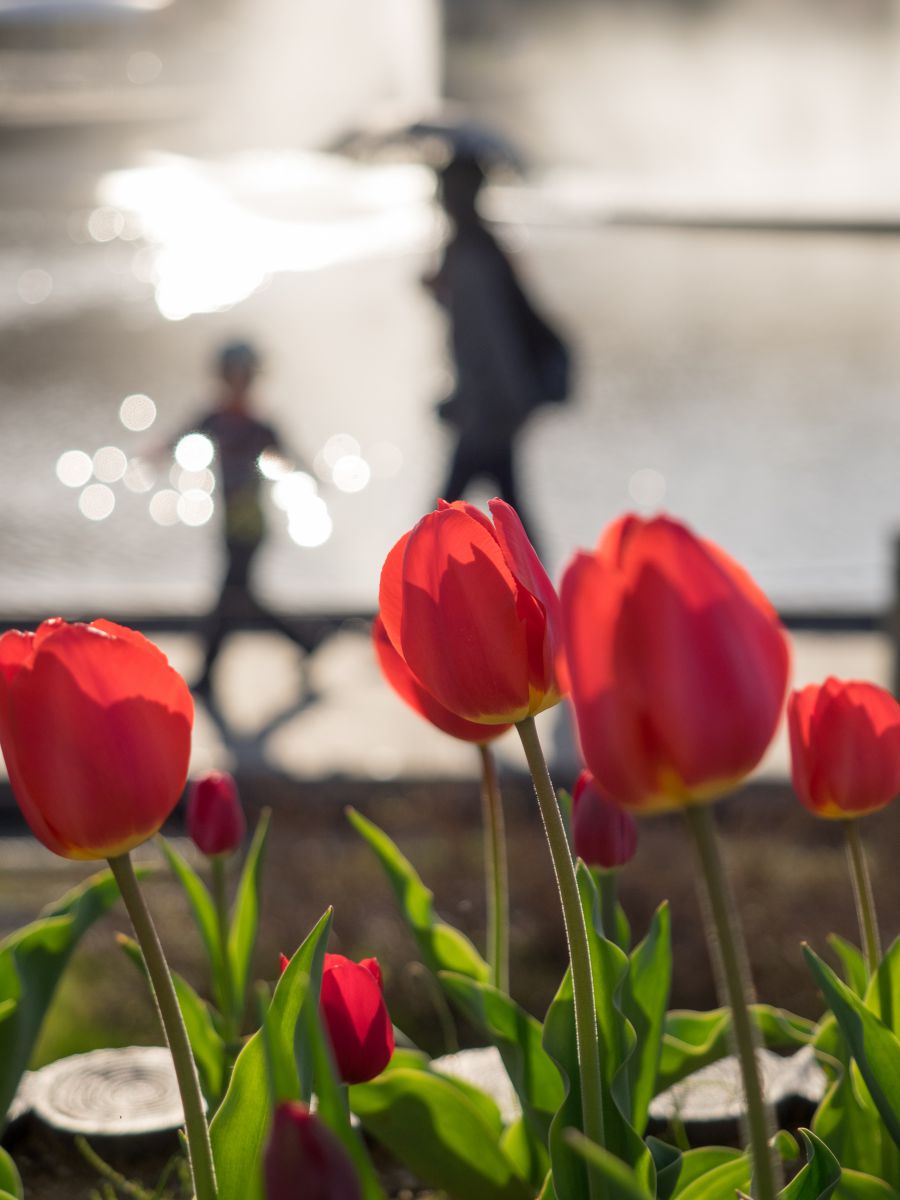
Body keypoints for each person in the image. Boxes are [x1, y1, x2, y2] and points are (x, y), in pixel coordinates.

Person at [427, 152, 570, 544]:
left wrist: (501, 403)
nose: (441, 197)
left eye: (445, 188)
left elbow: (489, 340)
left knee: (439, 520)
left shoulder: (472, 254)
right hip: (491, 408)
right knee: (508, 515)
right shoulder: (476, 248)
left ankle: (418, 598)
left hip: (489, 411)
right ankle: (540, 596)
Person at [183, 340, 312, 700]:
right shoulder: (214, 418)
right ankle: (307, 639)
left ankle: (207, 675)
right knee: (242, 598)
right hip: (227, 525)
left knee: (229, 598)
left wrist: (313, 473)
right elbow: (179, 437)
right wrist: (153, 454)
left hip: (251, 527)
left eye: (243, 375)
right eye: (230, 375)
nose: (236, 382)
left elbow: (293, 458)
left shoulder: (260, 425)